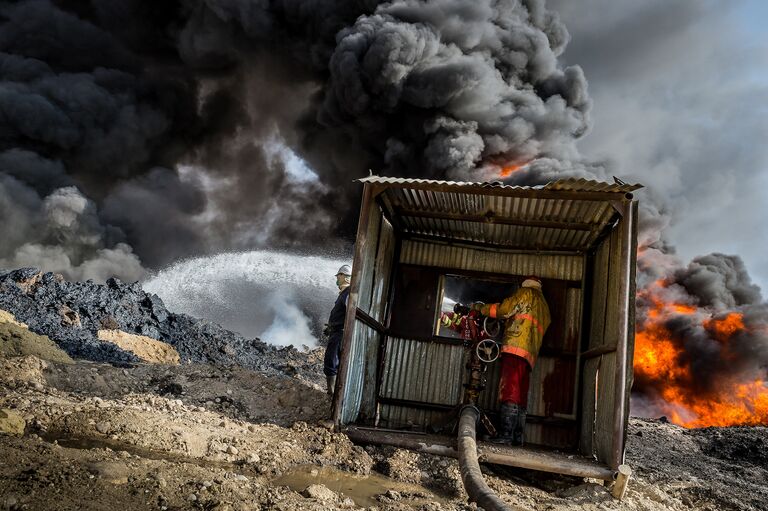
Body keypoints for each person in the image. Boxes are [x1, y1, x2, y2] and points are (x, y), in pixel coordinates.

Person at [471, 276, 551, 445]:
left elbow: (504, 310)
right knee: (521, 395)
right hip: (530, 354)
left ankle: (506, 435)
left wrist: (481, 308)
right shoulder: (544, 304)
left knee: (510, 391)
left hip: (515, 348)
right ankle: (517, 437)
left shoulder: (525, 293)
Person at [323, 264, 352, 398]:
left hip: (340, 333)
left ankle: (332, 392)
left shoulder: (348, 294)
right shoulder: (343, 294)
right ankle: (333, 391)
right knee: (332, 360)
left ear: (345, 277)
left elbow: (350, 313)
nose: (337, 278)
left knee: (332, 359)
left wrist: (338, 327)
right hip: (337, 331)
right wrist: (330, 327)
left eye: (339, 275)